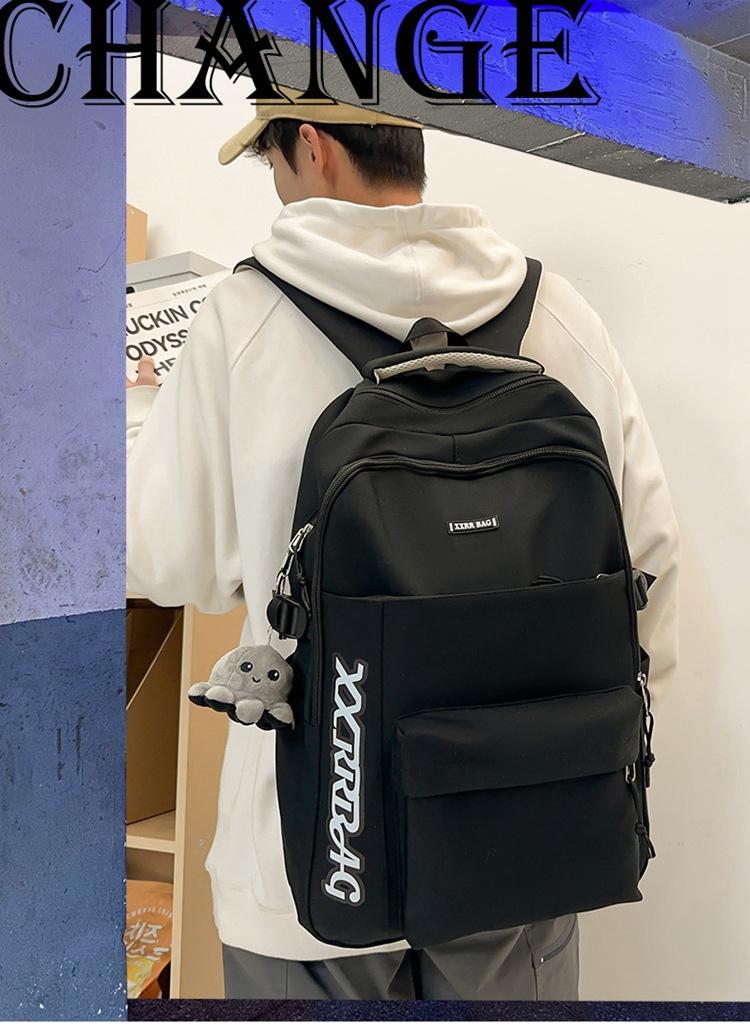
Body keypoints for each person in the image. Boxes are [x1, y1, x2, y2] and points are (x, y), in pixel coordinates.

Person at [126, 87, 679, 1001]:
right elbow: (651, 573)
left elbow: (160, 554)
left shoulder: (239, 320)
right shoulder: (559, 310)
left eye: (271, 159)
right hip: (524, 842)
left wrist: (142, 409)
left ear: (311, 144)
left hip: (311, 859)